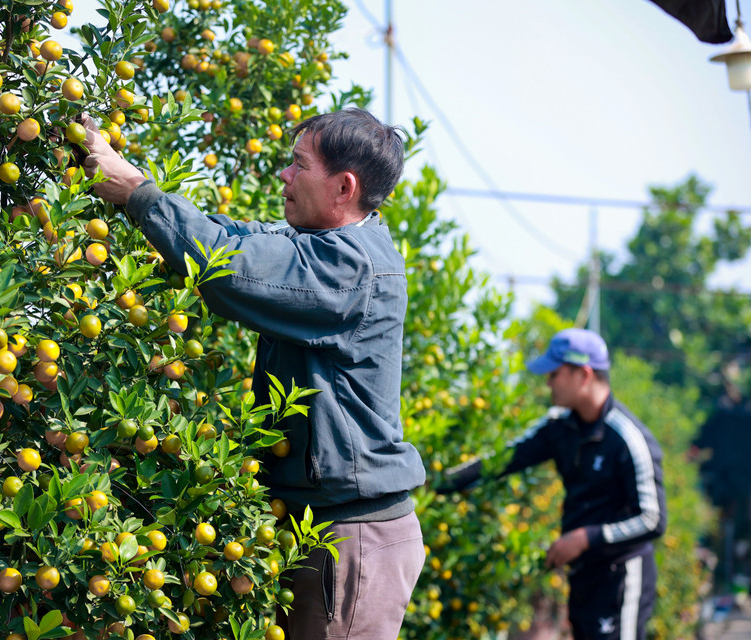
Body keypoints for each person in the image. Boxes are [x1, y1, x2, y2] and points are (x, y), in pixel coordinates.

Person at [82, 108, 426, 640]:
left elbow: (232, 266)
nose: (284, 176)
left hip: (352, 537)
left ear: (343, 187)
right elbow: (233, 235)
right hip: (313, 525)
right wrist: (132, 186)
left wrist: (139, 194)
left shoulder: (348, 267)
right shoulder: (320, 244)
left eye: (297, 165)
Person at [442, 328, 667, 640]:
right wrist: (437, 483)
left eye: (555, 374)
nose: (548, 383)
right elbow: (503, 459)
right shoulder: (561, 427)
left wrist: (585, 538)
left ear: (583, 374)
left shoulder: (627, 439)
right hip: (583, 575)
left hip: (621, 575)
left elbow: (652, 520)